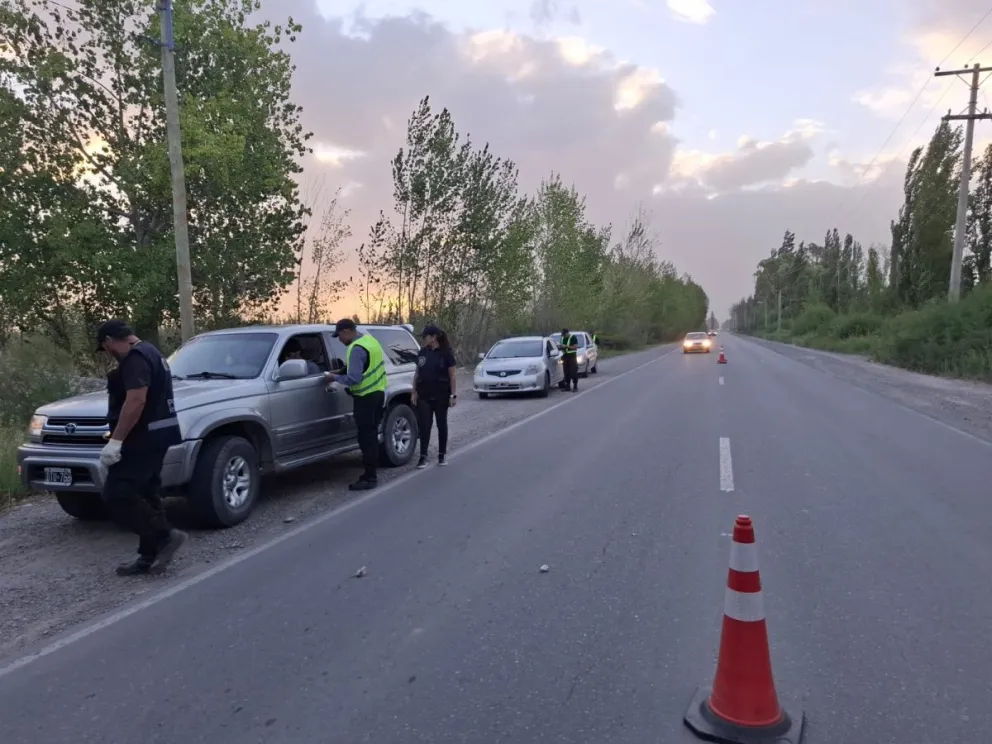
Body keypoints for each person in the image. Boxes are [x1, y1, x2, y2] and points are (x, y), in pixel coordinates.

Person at [96, 320, 187, 576]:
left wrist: (116, 441)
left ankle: (165, 537)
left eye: (106, 348)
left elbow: (136, 401)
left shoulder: (135, 358)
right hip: (158, 436)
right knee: (147, 494)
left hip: (142, 439)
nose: (109, 353)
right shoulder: (152, 353)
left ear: (109, 341)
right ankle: (148, 557)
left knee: (117, 494)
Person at [325, 319, 387, 491]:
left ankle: (370, 477)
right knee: (371, 435)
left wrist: (333, 378)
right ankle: (370, 473)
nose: (339, 340)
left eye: (339, 336)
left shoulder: (356, 348)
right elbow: (361, 367)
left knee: (366, 438)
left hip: (365, 398)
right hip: (378, 394)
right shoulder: (370, 341)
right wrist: (339, 371)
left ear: (346, 331)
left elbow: (354, 378)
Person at [411, 324, 457, 468]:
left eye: (425, 337)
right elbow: (417, 373)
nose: (423, 339)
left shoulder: (446, 353)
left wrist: (453, 395)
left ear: (433, 337)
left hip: (441, 395)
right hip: (424, 394)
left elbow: (453, 375)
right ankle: (423, 456)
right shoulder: (422, 352)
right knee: (425, 425)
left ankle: (442, 454)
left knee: (441, 424)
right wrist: (414, 391)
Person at [559, 327, 579, 392]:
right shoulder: (562, 338)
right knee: (566, 372)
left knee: (573, 371)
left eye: (564, 334)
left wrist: (566, 346)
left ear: (567, 333)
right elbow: (562, 346)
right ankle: (567, 386)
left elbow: (575, 347)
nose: (564, 336)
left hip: (572, 357)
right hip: (565, 356)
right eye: (563, 335)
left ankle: (575, 386)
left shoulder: (573, 337)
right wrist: (560, 347)